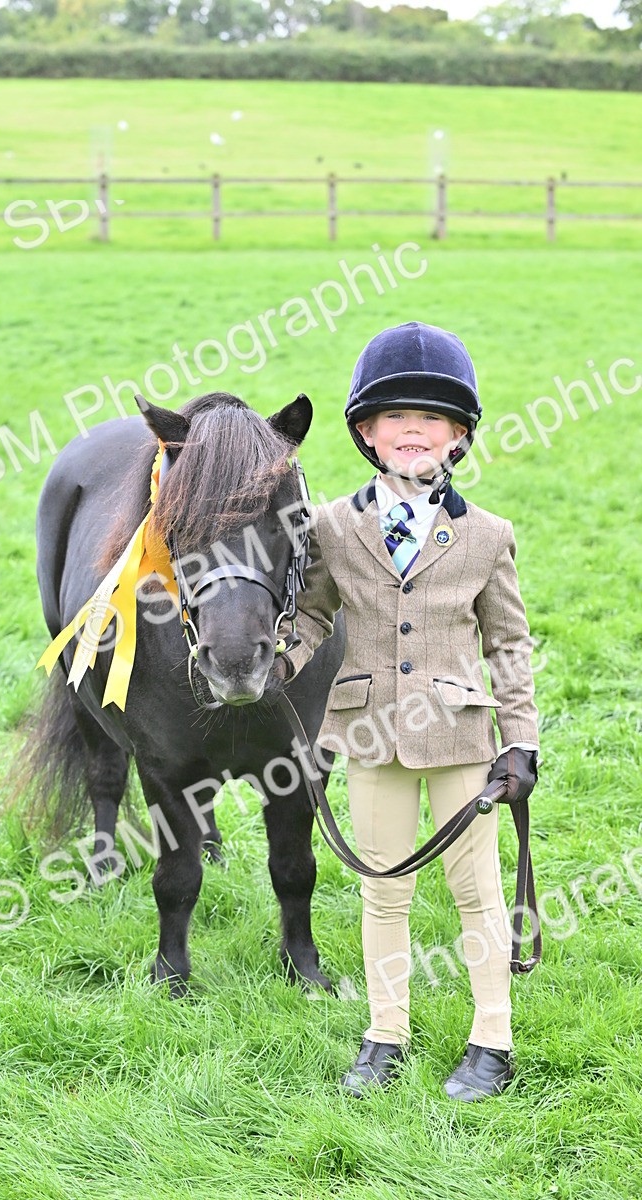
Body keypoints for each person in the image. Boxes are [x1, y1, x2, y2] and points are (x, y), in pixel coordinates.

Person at [272, 321, 540, 1103]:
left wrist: (520, 742)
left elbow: (508, 644)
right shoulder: (331, 526)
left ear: (459, 436)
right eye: (395, 416)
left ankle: (493, 1039)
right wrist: (275, 664)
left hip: (461, 737)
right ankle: (385, 1033)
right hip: (370, 733)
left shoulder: (488, 537)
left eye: (431, 418)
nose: (413, 430)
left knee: (476, 891)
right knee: (383, 889)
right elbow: (312, 615)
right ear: (366, 432)